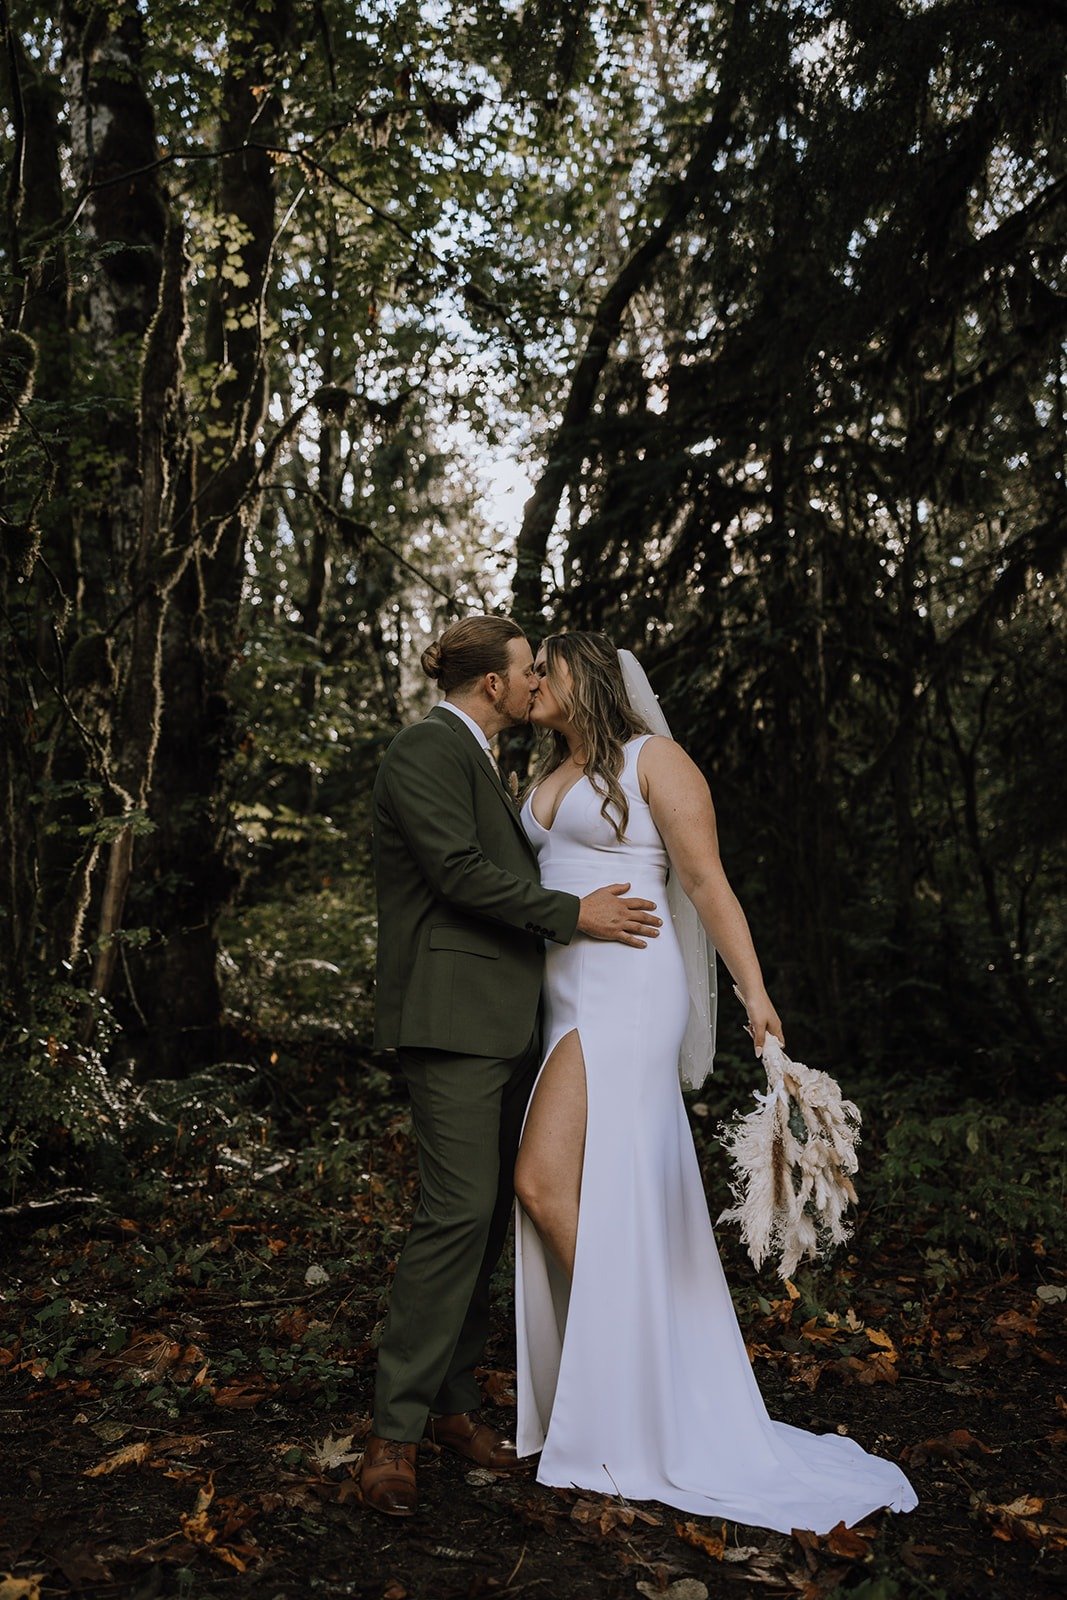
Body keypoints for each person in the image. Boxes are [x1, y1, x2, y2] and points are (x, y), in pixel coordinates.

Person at [513, 632, 918, 1534]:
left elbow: (704, 881)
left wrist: (754, 993)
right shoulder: (538, 772)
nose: (533, 679)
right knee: (584, 1189)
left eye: (547, 665)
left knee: (541, 1184)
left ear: (586, 676)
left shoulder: (653, 758)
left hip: (626, 987)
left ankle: (639, 1368)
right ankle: (642, 1372)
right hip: (561, 993)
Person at [359, 615, 663, 1517]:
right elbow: (454, 872)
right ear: (492, 683)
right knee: (455, 1214)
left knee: (488, 1219)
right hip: (451, 1020)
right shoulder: (424, 750)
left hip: (504, 1024)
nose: (538, 682)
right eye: (530, 669)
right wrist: (576, 916)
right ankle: (392, 1433)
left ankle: (451, 1404)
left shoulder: (486, 763)